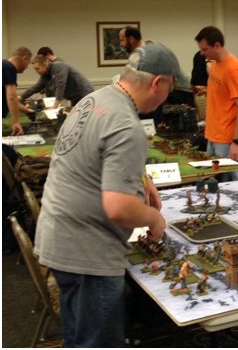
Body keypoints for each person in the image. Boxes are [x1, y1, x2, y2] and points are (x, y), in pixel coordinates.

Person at [34, 43, 178, 347]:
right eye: (171, 86)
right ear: (158, 83)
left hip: (60, 237)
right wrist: (154, 219)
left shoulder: (95, 99)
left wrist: (142, 176)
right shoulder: (127, 125)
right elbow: (119, 208)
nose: (169, 95)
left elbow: (97, 154)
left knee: (78, 337)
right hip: (89, 254)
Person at [195, 25, 238, 180]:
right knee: (215, 181)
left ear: (217, 45)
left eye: (205, 49)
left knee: (231, 184)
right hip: (215, 134)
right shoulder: (216, 63)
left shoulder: (233, 69)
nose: (202, 53)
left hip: (228, 137)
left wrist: (237, 142)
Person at [20, 55, 94, 109]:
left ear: (45, 64)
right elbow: (34, 88)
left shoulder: (58, 66)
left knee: (90, 115)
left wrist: (55, 106)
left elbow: (61, 85)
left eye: (37, 68)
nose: (36, 71)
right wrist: (21, 97)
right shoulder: (45, 76)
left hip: (85, 94)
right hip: (74, 98)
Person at [3, 47, 33, 135]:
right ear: (25, 58)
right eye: (28, 64)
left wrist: (26, 110)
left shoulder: (4, 65)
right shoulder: (8, 67)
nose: (26, 67)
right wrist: (16, 122)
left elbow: (9, 99)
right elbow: (11, 97)